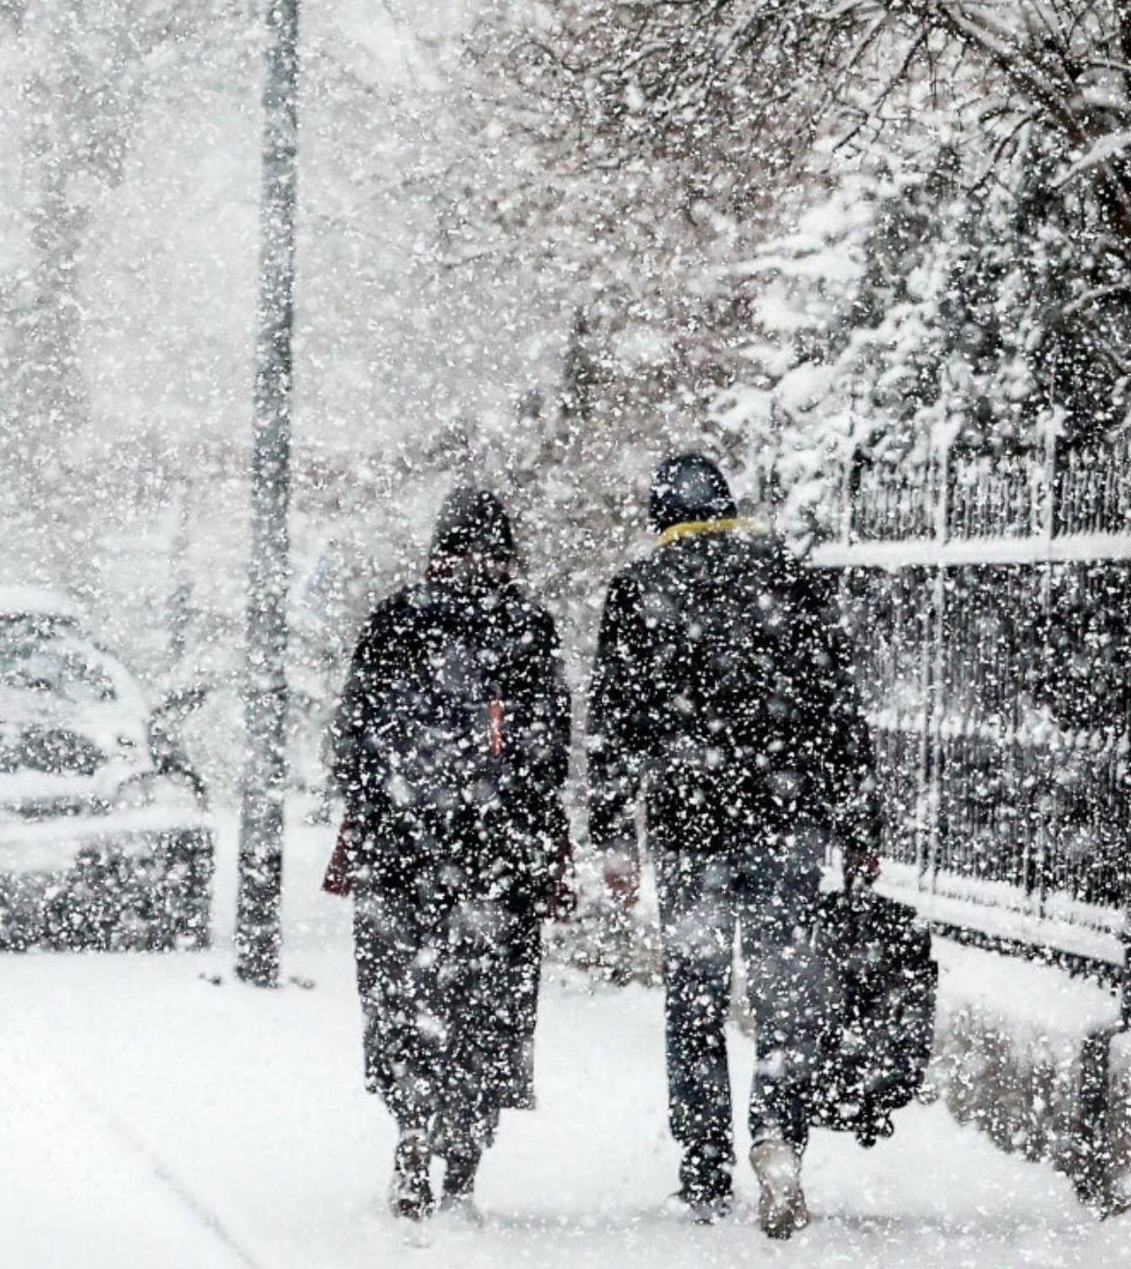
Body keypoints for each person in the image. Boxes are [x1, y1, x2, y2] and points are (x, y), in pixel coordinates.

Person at [587, 453, 881, 1239]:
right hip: (786, 825)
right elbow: (835, 707)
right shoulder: (787, 576)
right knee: (786, 993)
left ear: (662, 516)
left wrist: (616, 836)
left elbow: (616, 723)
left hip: (692, 829)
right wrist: (859, 824)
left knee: (695, 997)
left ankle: (704, 1161)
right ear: (729, 505)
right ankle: (778, 1133)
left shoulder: (640, 589)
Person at [327, 487, 574, 1221]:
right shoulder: (528, 627)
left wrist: (386, 809)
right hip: (496, 859)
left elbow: (353, 742)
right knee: (486, 1000)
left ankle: (410, 1133)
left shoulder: (394, 620)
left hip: (398, 854)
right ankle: (464, 1158)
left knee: (404, 996)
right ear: (505, 552)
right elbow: (549, 751)